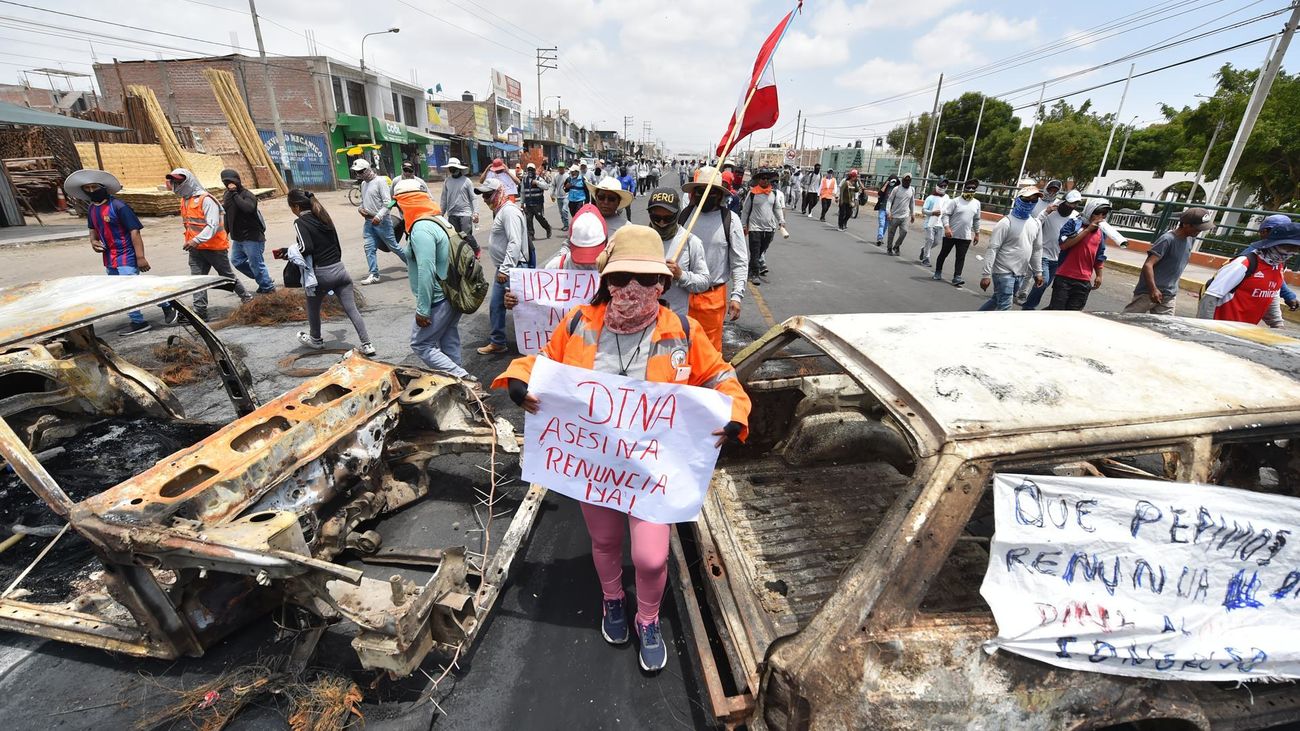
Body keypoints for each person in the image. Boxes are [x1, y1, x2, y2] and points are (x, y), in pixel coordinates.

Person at [491, 224, 752, 673]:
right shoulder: (578, 322)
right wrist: (518, 375)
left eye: (647, 279)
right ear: (606, 280)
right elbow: (545, 361)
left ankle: (647, 618)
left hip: (652, 473)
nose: (634, 288)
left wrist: (736, 411)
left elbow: (721, 377)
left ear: (663, 283)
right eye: (622, 277)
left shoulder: (684, 331)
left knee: (650, 557)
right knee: (605, 539)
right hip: (597, 468)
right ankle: (613, 599)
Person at [65, 169, 176, 335]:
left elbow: (135, 232)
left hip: (126, 254)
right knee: (122, 290)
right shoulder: (92, 209)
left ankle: (154, 312)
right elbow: (92, 230)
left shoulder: (119, 207)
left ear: (103, 187)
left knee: (130, 289)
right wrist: (93, 242)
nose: (90, 191)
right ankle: (153, 312)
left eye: (94, 187)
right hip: (109, 257)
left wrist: (140, 257)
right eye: (87, 188)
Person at [390, 178, 472, 379]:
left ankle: (466, 380)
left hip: (437, 298)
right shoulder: (439, 220)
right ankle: (459, 387)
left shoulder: (421, 229)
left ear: (406, 204)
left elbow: (426, 270)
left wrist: (423, 310)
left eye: (399, 206)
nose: (398, 212)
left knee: (421, 344)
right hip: (453, 292)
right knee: (448, 338)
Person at [277, 189, 373, 356]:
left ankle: (316, 340)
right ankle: (367, 344)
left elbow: (306, 248)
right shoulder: (324, 217)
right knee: (352, 310)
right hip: (340, 270)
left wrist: (289, 252)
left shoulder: (300, 222)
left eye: (291, 207)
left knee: (312, 307)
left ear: (296, 207)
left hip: (322, 275)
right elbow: (337, 246)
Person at [166, 167, 252, 320]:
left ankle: (247, 299)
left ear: (188, 182)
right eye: (174, 182)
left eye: (178, 182)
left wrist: (195, 240)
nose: (176, 186)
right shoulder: (185, 201)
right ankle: (200, 312)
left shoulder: (206, 200)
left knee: (227, 277)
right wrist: (192, 241)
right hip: (196, 249)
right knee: (197, 280)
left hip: (214, 248)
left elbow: (212, 226)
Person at [681, 167, 748, 351]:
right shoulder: (684, 217)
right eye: (701, 191)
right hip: (681, 295)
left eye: (711, 192)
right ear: (694, 194)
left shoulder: (730, 219)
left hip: (712, 297)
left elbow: (740, 261)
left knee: (708, 352)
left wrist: (737, 295)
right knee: (679, 348)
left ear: (719, 195)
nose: (706, 196)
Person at [1198, 222, 1300, 327]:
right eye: (1289, 247)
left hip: (1244, 333)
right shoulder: (1243, 264)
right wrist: (1205, 329)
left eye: (1297, 249)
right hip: (1220, 329)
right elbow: (1210, 297)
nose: (1292, 252)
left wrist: (1277, 325)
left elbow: (1271, 296)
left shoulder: (1278, 268)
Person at [1123, 208, 1213, 316]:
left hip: (1169, 294)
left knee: (1165, 326)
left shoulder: (1190, 239)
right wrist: (1153, 289)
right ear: (1186, 224)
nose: (1199, 232)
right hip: (1148, 293)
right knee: (1127, 319)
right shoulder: (1167, 240)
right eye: (1197, 228)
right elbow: (1148, 265)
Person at [475, 177, 528, 355]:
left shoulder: (509, 212)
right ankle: (499, 341)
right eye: (483, 196)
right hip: (508, 267)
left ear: (498, 193)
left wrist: (505, 269)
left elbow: (515, 242)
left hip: (512, 267)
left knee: (519, 306)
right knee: (498, 305)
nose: (485, 199)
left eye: (488, 195)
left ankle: (525, 343)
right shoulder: (502, 210)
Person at [647, 187, 710, 319]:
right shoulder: (639, 239)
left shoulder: (691, 242)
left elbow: (704, 282)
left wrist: (681, 275)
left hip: (675, 321)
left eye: (668, 218)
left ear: (677, 215)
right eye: (656, 217)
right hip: (643, 319)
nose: (662, 223)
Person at [978, 185, 1043, 311]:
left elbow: (1037, 249)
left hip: (1020, 272)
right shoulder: (1006, 223)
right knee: (1005, 307)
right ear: (1018, 200)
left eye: (1034, 200)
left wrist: (1038, 272)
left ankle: (976, 318)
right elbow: (993, 249)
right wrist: (986, 274)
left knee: (997, 299)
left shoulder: (1036, 223)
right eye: (1026, 200)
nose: (1030, 203)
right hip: (1003, 272)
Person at [1019, 190, 1081, 310]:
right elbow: (1036, 224)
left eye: (1075, 204)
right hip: (1043, 253)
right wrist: (1046, 211)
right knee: (1044, 281)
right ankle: (1028, 307)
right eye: (1070, 203)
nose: (1072, 206)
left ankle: (1037, 306)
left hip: (1059, 257)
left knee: (1045, 284)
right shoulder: (1051, 210)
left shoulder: (1075, 216)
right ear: (1063, 201)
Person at [1046, 199, 1110, 311]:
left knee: (1073, 314)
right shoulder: (1074, 224)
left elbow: (1099, 255)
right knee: (1057, 312)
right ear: (1090, 211)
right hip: (1065, 277)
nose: (1100, 217)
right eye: (1097, 213)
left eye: (1103, 214)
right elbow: (1064, 245)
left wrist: (1099, 275)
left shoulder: (1101, 232)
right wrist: (1088, 230)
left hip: (1083, 280)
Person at [352, 158, 407, 284]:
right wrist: (360, 209)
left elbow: (388, 203)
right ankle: (374, 274)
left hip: (382, 221)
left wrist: (379, 216)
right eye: (356, 172)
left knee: (393, 247)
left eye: (360, 171)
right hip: (368, 221)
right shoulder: (363, 184)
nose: (358, 174)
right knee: (369, 247)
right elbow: (363, 201)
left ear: (367, 170)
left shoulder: (380, 182)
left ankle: (412, 264)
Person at [220, 169, 275, 294]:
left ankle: (268, 288)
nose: (229, 184)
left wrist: (234, 193)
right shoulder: (227, 195)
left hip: (252, 237)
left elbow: (248, 209)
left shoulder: (247, 194)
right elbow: (227, 213)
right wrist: (226, 231)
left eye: (231, 181)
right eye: (226, 182)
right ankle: (264, 280)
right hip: (238, 238)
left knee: (257, 265)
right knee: (236, 261)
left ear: (237, 180)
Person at [1243, 214, 1300, 312]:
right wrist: (1288, 295)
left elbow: (1274, 280)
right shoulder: (1250, 257)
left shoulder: (1279, 256)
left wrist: (1288, 295)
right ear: (1264, 232)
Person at [934, 178, 981, 287]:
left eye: (973, 188)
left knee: (960, 257)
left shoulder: (977, 203)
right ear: (964, 188)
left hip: (965, 236)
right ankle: (938, 271)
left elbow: (977, 219)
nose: (970, 190)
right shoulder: (955, 201)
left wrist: (977, 234)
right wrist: (947, 228)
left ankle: (957, 277)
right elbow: (945, 215)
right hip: (951, 234)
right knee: (943, 254)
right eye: (968, 187)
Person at [743, 169, 784, 283]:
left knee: (762, 250)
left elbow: (777, 208)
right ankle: (754, 274)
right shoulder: (752, 194)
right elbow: (745, 210)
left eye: (767, 178)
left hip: (769, 228)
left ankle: (752, 267)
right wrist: (744, 225)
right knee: (755, 251)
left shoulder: (773, 193)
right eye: (763, 178)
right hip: (755, 227)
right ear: (758, 180)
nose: (765, 180)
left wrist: (781, 220)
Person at [441, 157, 480, 256]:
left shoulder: (466, 181)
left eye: (454, 168)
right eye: (451, 168)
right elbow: (444, 199)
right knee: (455, 237)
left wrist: (476, 212)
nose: (452, 170)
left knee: (466, 236)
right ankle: (462, 256)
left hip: (465, 213)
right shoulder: (447, 181)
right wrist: (441, 213)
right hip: (452, 213)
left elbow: (473, 198)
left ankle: (476, 250)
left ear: (459, 169)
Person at [884, 174, 916, 256]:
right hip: (894, 215)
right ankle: (889, 248)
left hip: (905, 216)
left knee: (904, 232)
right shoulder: (896, 189)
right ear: (902, 180)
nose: (907, 181)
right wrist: (888, 212)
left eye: (909, 180)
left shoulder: (912, 189)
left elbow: (912, 202)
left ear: (910, 181)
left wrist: (913, 213)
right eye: (905, 180)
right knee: (891, 234)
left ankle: (897, 246)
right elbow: (889, 200)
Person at [918, 180, 948, 265]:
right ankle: (925, 259)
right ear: (937, 186)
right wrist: (932, 213)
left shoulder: (947, 198)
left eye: (944, 186)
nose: (943, 187)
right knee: (930, 240)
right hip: (930, 223)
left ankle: (924, 249)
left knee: (936, 242)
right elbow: (923, 210)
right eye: (941, 186)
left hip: (940, 224)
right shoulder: (930, 198)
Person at [520, 163, 553, 241]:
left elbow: (546, 187)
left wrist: (537, 183)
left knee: (540, 218)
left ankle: (548, 228)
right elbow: (522, 192)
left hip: (538, 203)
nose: (530, 171)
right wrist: (522, 203)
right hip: (528, 204)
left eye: (532, 170)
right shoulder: (524, 180)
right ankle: (531, 235)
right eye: (529, 170)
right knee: (528, 220)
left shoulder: (539, 178)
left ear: (534, 170)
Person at [874, 175, 899, 247]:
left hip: (890, 211)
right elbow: (880, 193)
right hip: (882, 208)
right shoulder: (886, 187)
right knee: (881, 223)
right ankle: (879, 238)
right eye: (892, 180)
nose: (893, 182)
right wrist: (886, 184)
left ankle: (881, 237)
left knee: (885, 225)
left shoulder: (896, 189)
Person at [550, 161, 572, 232]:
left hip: (566, 195)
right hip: (559, 196)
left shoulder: (567, 176)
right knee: (561, 212)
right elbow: (553, 185)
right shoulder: (556, 176)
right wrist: (552, 194)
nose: (560, 169)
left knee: (564, 210)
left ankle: (566, 225)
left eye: (562, 168)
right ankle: (565, 224)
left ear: (564, 168)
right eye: (559, 168)